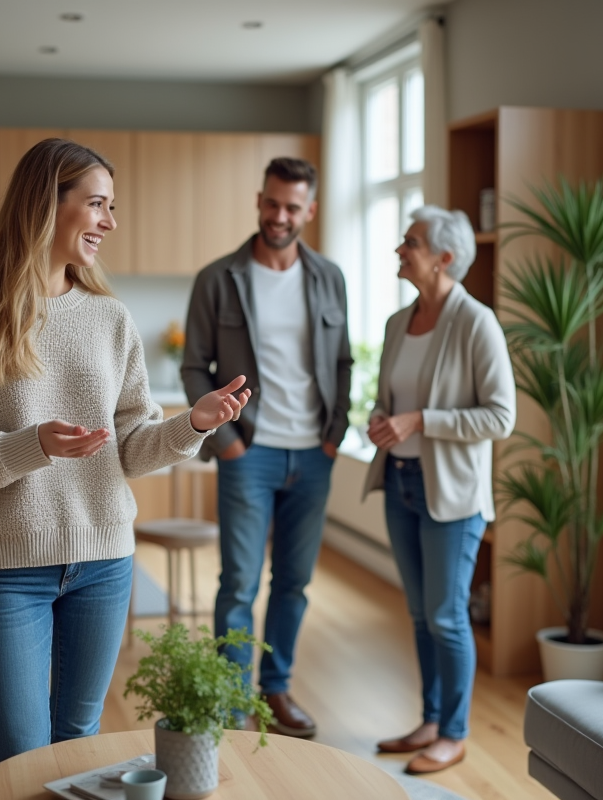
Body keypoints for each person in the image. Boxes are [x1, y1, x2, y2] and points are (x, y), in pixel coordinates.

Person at [0, 138, 251, 766]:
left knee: (77, 748)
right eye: (97, 204)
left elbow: (131, 451)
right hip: (10, 567)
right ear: (45, 204)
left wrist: (191, 425)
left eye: (111, 207)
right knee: (16, 757)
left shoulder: (111, 320)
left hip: (105, 562)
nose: (110, 223)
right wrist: (28, 446)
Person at [182, 157, 351, 738]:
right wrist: (225, 441)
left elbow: (344, 362)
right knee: (239, 584)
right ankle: (231, 704)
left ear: (310, 210)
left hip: (313, 455)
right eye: (272, 203)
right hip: (247, 453)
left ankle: (275, 690)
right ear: (259, 200)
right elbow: (192, 365)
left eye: (292, 207)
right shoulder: (219, 277)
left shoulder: (329, 277)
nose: (280, 216)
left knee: (294, 582)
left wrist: (335, 436)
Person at [364, 205, 515, 774]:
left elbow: (501, 416)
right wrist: (384, 419)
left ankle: (454, 732)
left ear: (445, 257)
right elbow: (389, 399)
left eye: (412, 243)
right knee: (421, 614)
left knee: (447, 615)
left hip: (451, 492)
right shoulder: (397, 323)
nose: (401, 251)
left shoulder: (476, 322)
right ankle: (429, 721)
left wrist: (421, 420)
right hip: (401, 480)